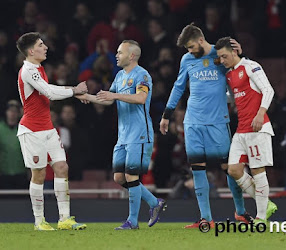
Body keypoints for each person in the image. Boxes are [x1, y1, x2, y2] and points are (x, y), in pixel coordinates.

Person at [159, 24, 275, 229]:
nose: (189, 51)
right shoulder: (187, 60)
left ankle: (241, 212)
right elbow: (178, 87)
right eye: (187, 48)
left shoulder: (220, 55)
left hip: (218, 122)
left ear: (201, 40)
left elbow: (240, 68)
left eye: (191, 46)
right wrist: (167, 115)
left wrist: (241, 53)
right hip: (193, 122)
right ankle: (206, 218)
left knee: (229, 169)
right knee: (197, 169)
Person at [76, 40, 166, 230]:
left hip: (140, 133)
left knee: (131, 176)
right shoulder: (119, 76)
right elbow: (108, 100)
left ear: (131, 55)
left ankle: (132, 221)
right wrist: (89, 98)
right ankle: (153, 202)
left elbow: (141, 98)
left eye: (119, 52)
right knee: (119, 178)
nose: (116, 55)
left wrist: (115, 96)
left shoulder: (142, 75)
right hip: (123, 135)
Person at [16, 32, 87, 231]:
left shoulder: (38, 68)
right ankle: (40, 221)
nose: (45, 47)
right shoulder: (28, 70)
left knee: (62, 167)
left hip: (48, 128)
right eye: (41, 44)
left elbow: (49, 89)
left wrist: (76, 92)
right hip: (31, 130)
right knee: (38, 174)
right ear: (31, 51)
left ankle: (64, 219)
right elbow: (49, 92)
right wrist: (75, 90)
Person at [215, 36, 277, 223]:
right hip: (242, 130)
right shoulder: (229, 75)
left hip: (258, 127)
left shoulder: (251, 66)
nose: (223, 61)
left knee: (258, 170)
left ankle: (260, 217)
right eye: (220, 58)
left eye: (225, 56)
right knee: (233, 170)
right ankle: (265, 203)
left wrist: (260, 113)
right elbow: (232, 98)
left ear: (235, 52)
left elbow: (268, 90)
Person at [0, 100, 27, 189]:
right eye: (10, 110)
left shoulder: (24, 129)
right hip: (3, 173)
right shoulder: (1, 128)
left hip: (21, 173)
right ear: (6, 112)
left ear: (19, 113)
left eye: (15, 111)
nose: (12, 113)